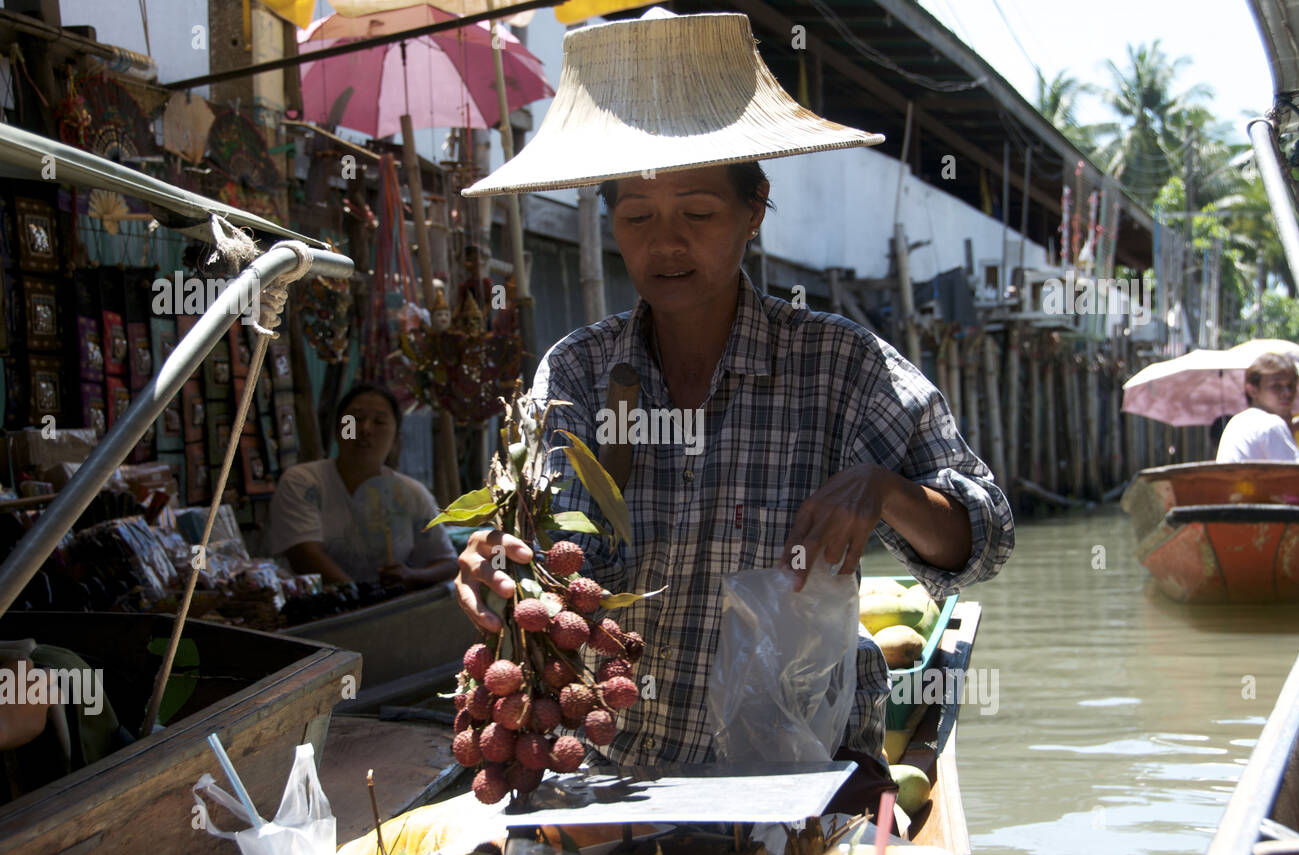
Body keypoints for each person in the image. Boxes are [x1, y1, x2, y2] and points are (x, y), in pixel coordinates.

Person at [453, 9, 1013, 787]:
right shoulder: (579, 373)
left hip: (803, 770)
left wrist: (885, 491)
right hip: (617, 770)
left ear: (753, 211)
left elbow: (984, 537)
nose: (667, 244)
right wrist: (493, 563)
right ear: (612, 221)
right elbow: (536, 549)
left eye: (699, 214)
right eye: (639, 217)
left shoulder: (838, 366)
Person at [269, 382, 458, 589]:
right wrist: (356, 597)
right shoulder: (303, 482)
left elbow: (447, 563)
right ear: (338, 430)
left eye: (379, 422)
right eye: (355, 420)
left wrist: (411, 575)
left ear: (395, 439)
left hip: (389, 610)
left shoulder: (411, 494)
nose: (366, 429)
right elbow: (304, 554)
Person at [1214, 353, 1299, 463]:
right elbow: (1294, 477)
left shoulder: (1239, 422)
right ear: (1252, 390)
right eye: (1276, 386)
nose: (1287, 393)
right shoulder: (1271, 424)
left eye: (1290, 386)